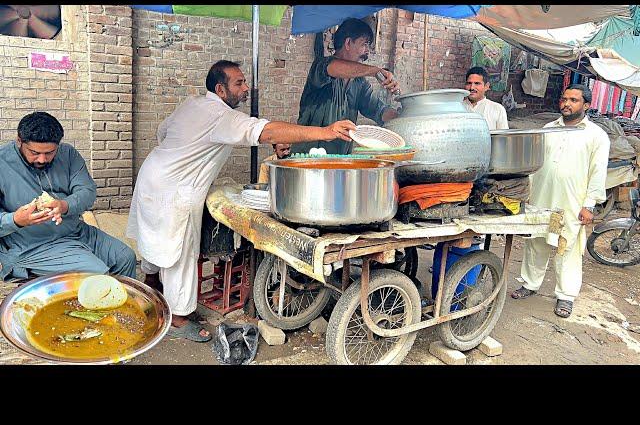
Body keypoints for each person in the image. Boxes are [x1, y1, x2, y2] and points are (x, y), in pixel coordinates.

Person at [127, 60, 356, 342]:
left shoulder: (193, 104)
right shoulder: (219, 115)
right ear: (220, 89)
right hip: (175, 188)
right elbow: (265, 130)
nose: (246, 88)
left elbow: (163, 133)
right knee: (180, 252)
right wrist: (325, 131)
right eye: (239, 83)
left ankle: (151, 285)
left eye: (244, 81)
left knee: (155, 238)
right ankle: (178, 317)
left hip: (152, 176)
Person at [510, 84, 610, 318]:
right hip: (541, 197)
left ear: (586, 105)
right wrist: (526, 194)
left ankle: (565, 296)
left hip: (572, 203)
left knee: (568, 247)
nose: (566, 103)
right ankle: (530, 284)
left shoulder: (596, 136)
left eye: (573, 100)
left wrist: (589, 205)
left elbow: (598, 172)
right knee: (536, 242)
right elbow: (535, 165)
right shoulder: (548, 129)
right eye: (564, 99)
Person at [0, 112, 137, 281]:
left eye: (50, 152)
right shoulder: (2, 162)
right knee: (97, 275)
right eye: (34, 152)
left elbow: (88, 192)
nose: (42, 159)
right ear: (19, 141)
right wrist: (15, 220)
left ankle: (122, 306)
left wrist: (64, 205)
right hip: (30, 245)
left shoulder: (68, 154)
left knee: (126, 257)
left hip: (75, 231)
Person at [291, 18, 401, 155]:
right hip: (307, 157)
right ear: (348, 43)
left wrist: (404, 116)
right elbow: (334, 68)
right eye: (364, 44)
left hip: (339, 160)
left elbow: (378, 110)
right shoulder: (321, 65)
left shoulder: (359, 83)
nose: (367, 50)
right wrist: (375, 70)